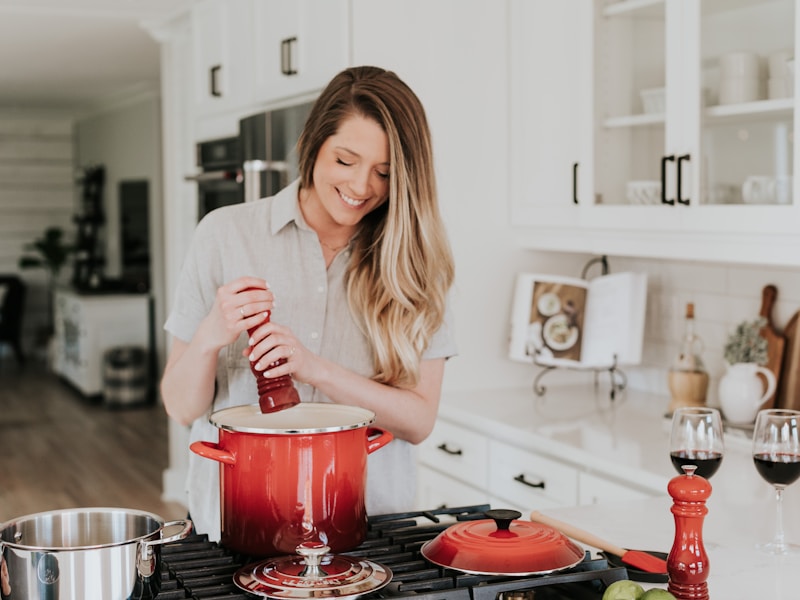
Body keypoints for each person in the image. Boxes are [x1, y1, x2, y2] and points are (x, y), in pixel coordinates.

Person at [160, 65, 457, 541]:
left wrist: (313, 367)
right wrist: (210, 336)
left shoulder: (416, 263)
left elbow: (419, 421)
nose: (362, 186)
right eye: (345, 160)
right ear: (313, 145)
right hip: (239, 528)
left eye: (384, 172)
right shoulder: (224, 233)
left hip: (369, 532)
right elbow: (179, 406)